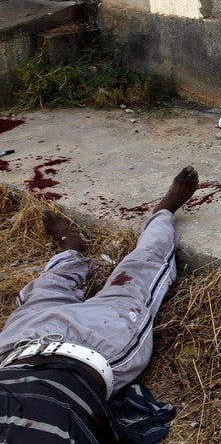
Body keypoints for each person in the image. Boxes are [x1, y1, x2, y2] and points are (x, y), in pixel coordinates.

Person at [0, 165, 199, 442]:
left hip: (16, 347)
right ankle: (163, 213)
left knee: (46, 286)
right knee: (138, 275)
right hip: (90, 349)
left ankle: (72, 248)